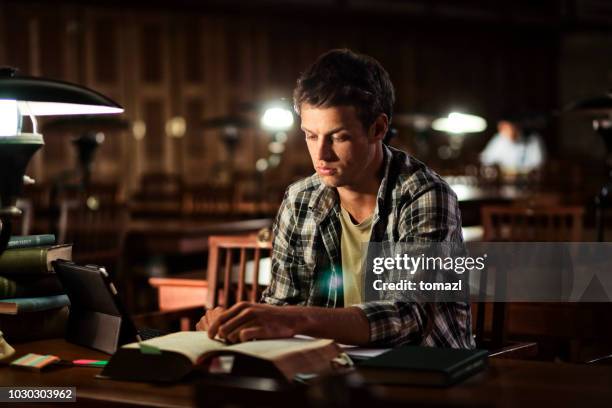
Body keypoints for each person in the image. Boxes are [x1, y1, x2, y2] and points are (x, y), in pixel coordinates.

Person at [196, 49, 474, 348]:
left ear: (378, 128)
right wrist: (242, 322)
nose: (321, 154)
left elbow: (410, 318)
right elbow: (283, 304)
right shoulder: (300, 198)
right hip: (334, 368)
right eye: (310, 135)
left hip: (424, 371)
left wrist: (296, 320)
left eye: (338, 137)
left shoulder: (424, 195)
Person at [480, 117, 546, 174]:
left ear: (516, 125)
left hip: (529, 181)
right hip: (505, 181)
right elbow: (486, 159)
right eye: (501, 128)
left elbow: (539, 164)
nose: (502, 130)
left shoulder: (533, 139)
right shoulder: (499, 139)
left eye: (506, 126)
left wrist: (519, 171)